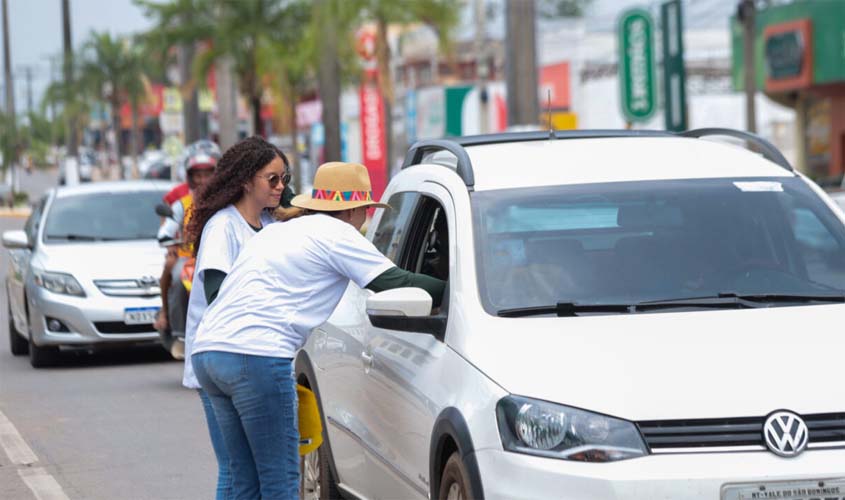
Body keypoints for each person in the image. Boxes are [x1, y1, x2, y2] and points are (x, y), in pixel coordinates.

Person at [191, 161, 446, 499]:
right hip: (256, 356)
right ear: (355, 210)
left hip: (207, 353)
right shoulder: (338, 234)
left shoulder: (276, 231)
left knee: (242, 479)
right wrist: (453, 290)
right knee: (280, 479)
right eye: (366, 210)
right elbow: (395, 282)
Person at [182, 135, 291, 500]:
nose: (281, 187)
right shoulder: (223, 227)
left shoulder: (270, 226)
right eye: (272, 179)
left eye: (284, 179)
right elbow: (217, 294)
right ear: (246, 180)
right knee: (239, 470)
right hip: (227, 353)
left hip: (243, 353)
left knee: (248, 474)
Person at [155, 144, 220, 359]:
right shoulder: (182, 204)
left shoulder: (226, 200)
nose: (203, 180)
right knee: (177, 274)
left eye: (207, 174)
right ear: (190, 177)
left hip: (220, 254)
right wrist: (170, 242)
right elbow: (166, 230)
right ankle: (180, 333)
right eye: (198, 175)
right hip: (190, 257)